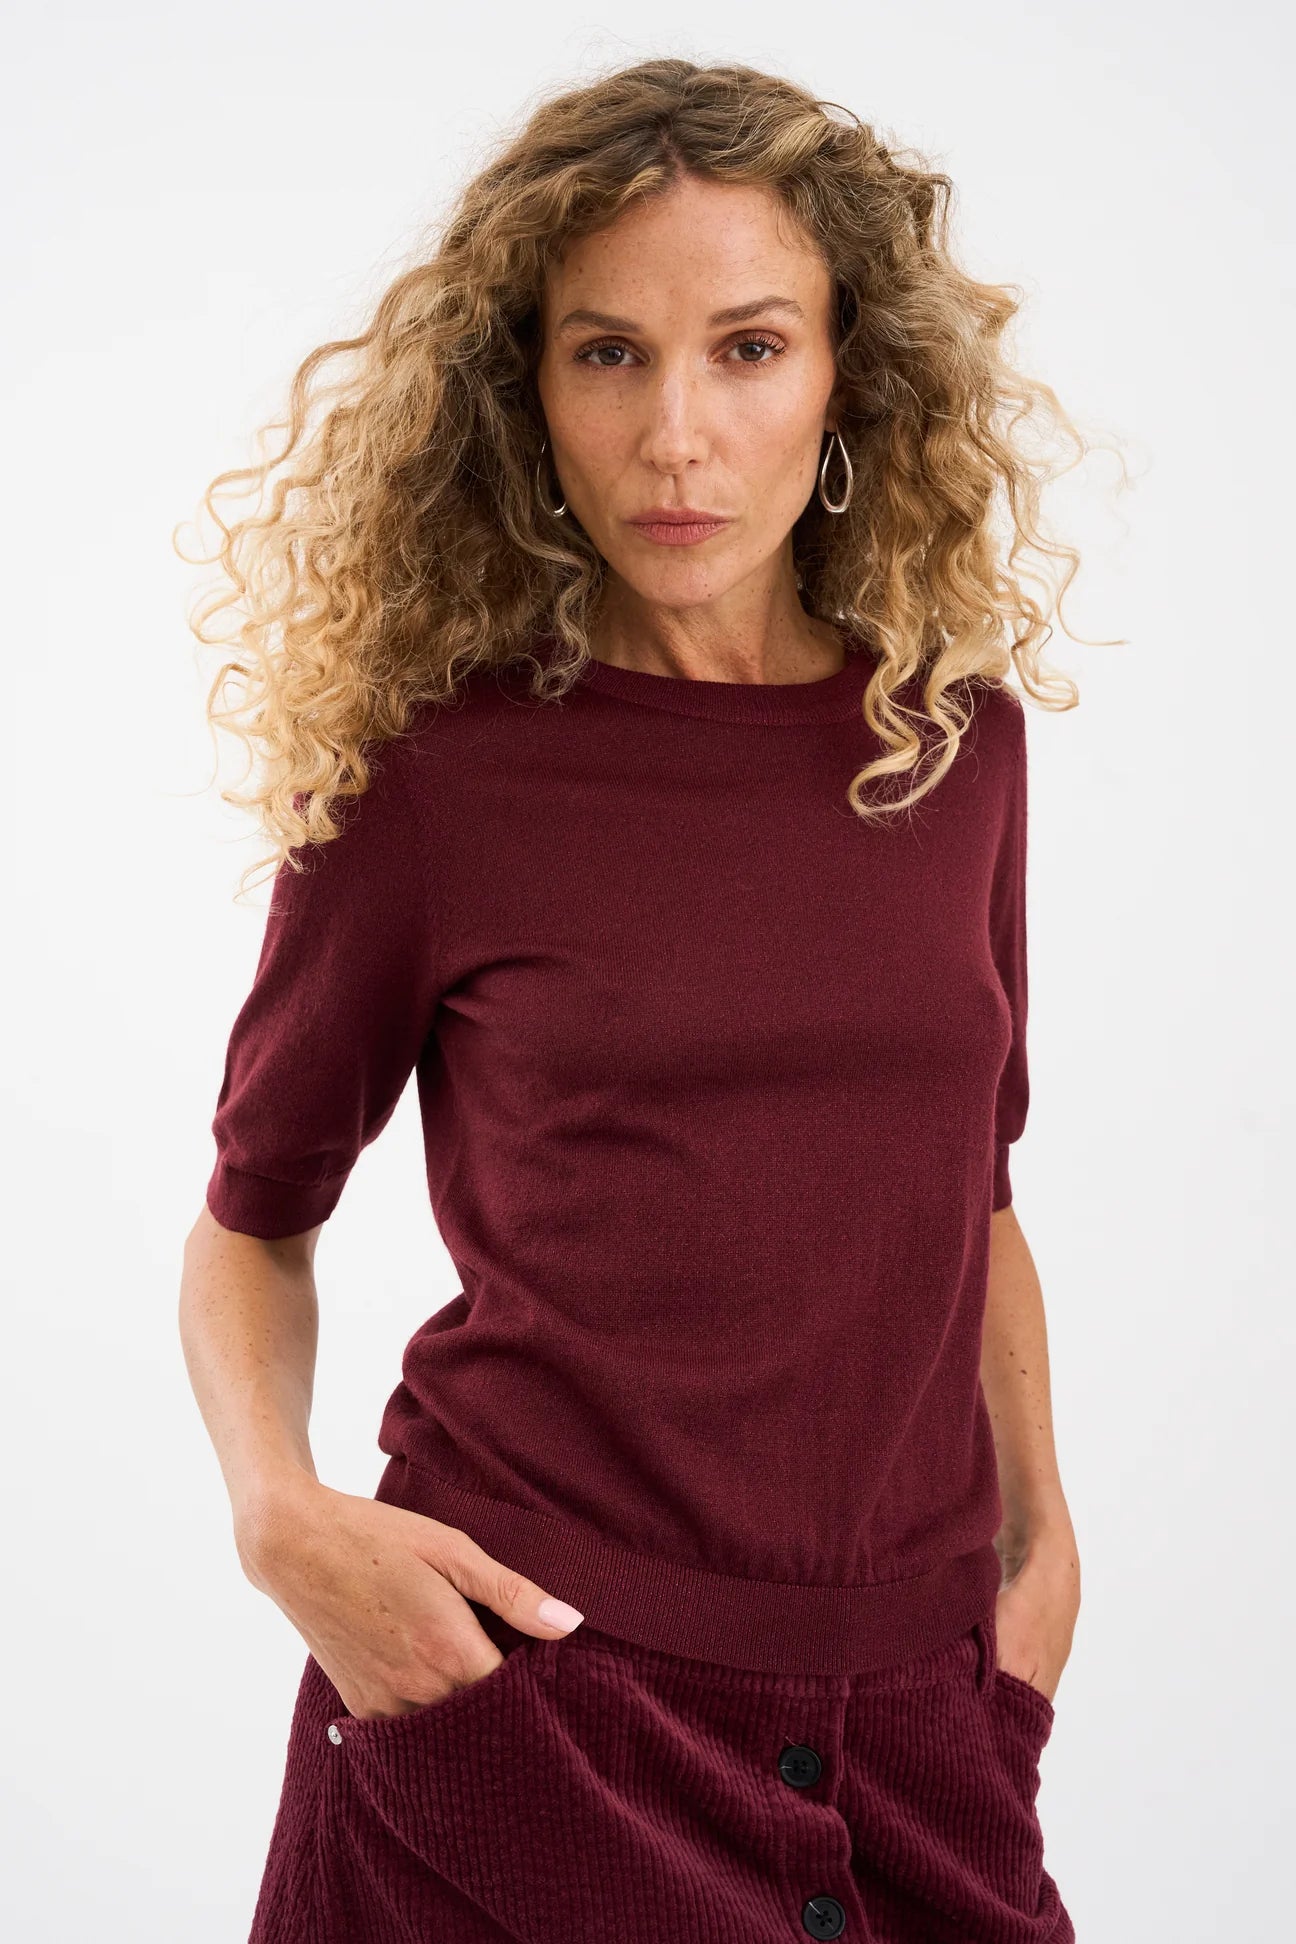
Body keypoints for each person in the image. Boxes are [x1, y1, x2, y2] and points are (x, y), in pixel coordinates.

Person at [178, 56, 1090, 1944]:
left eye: (748, 349)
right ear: (527, 393)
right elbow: (253, 1219)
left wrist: (1040, 1553)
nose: (678, 437)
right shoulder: (435, 776)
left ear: (850, 376)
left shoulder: (957, 748)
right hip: (520, 1705)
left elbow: (969, 1194)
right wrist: (283, 1522)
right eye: (609, 355)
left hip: (924, 1722)